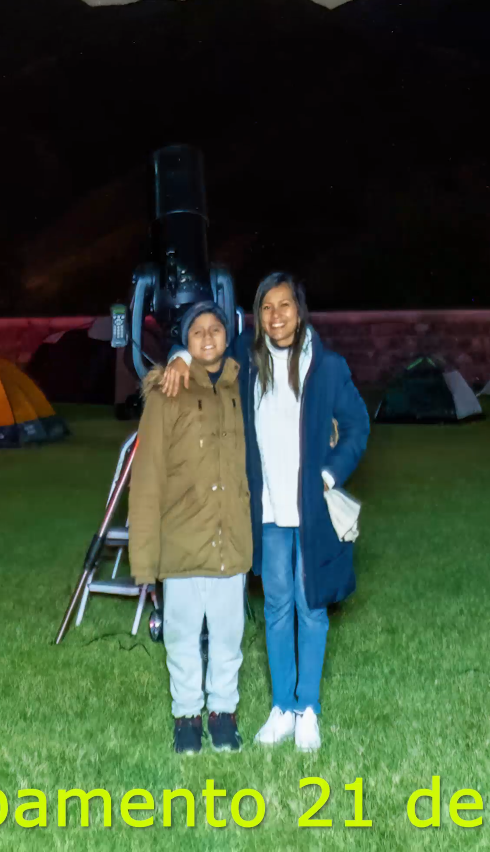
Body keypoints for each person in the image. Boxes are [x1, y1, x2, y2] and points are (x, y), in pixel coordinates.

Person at [163, 272, 369, 752]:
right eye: (267, 308)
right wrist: (177, 355)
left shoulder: (329, 366)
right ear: (257, 315)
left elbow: (358, 425)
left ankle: (308, 709)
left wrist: (330, 474)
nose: (276, 317)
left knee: (310, 606)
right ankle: (281, 708)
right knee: (276, 608)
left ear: (300, 310)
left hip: (312, 509)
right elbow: (203, 349)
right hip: (268, 512)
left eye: (285, 306)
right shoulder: (246, 362)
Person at [127, 300, 251, 754]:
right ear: (185, 340)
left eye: (215, 328)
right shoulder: (168, 393)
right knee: (180, 636)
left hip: (229, 540)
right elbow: (147, 478)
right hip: (180, 543)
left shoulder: (243, 387)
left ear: (227, 334)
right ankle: (186, 717)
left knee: (227, 636)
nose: (206, 337)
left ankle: (222, 712)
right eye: (196, 331)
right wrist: (145, 560)